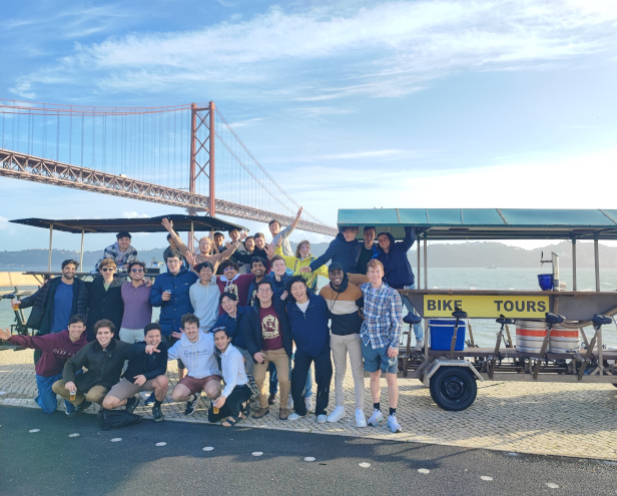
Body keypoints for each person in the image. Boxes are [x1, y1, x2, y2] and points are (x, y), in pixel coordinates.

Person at [52, 319, 158, 417]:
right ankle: (81, 402)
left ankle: (130, 401)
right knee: (57, 386)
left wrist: (146, 348)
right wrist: (69, 380)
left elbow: (134, 349)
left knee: (93, 395)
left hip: (107, 382)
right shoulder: (90, 347)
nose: (103, 336)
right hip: (89, 379)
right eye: (100, 333)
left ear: (112, 334)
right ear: (96, 335)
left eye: (106, 333)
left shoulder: (119, 346)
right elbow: (71, 363)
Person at [0, 314, 88, 415]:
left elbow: (91, 362)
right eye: (73, 326)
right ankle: (41, 396)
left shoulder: (84, 346)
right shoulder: (54, 339)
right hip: (47, 374)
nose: (76, 329)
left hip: (66, 374)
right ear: (68, 327)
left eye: (79, 326)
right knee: (50, 409)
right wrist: (11, 338)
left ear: (84, 328)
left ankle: (69, 402)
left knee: (78, 372)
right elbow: (31, 341)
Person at [13, 258, 88, 365]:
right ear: (62, 270)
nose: (70, 270)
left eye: (73, 269)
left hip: (70, 330)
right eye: (67, 268)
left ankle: (65, 379)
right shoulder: (51, 284)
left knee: (66, 358)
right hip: (51, 327)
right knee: (43, 353)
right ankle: (42, 375)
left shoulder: (81, 286)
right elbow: (36, 297)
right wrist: (20, 303)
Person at [319, 263, 366, 427]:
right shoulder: (324, 291)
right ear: (329, 276)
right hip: (336, 337)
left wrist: (351, 278)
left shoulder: (355, 290)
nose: (336, 276)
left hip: (354, 336)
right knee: (339, 373)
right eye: (332, 273)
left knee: (357, 373)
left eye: (339, 273)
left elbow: (366, 280)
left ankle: (359, 410)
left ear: (343, 274)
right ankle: (340, 408)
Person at [359, 259, 403, 433]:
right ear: (368, 274)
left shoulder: (392, 294)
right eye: (371, 272)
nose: (375, 275)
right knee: (374, 377)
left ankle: (392, 416)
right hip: (369, 340)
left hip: (386, 343)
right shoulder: (364, 289)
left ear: (382, 273)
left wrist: (394, 344)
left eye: (377, 272)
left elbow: (397, 322)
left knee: (391, 379)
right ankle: (376, 411)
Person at [242, 280, 292, 420]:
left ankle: (283, 407)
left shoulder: (280, 308)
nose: (264, 292)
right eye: (261, 290)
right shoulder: (252, 313)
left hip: (280, 350)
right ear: (257, 294)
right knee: (257, 379)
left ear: (271, 293)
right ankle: (263, 406)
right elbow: (248, 336)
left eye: (267, 290)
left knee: (284, 379)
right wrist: (254, 352)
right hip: (262, 352)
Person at [286, 277, 332, 423]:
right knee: (297, 379)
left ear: (305, 287)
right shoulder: (290, 307)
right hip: (302, 348)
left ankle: (321, 411)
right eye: (294, 288)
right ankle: (300, 410)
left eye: (300, 287)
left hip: (322, 346)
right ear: (290, 292)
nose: (298, 291)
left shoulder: (318, 301)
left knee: (323, 378)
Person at [101, 323, 169, 423]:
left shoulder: (163, 347)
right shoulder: (138, 346)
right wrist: (145, 349)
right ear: (145, 337)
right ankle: (131, 401)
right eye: (150, 336)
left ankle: (157, 408)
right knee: (107, 404)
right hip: (131, 381)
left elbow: (162, 369)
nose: (154, 339)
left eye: (157, 336)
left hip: (149, 380)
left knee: (163, 380)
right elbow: (133, 350)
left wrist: (146, 376)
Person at [150, 250, 198, 380]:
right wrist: (161, 298)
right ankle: (158, 385)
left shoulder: (191, 277)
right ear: (166, 263)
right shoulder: (161, 279)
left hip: (183, 326)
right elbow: (152, 301)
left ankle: (183, 384)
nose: (172, 264)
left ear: (181, 262)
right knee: (160, 356)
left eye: (175, 261)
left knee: (184, 359)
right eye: (169, 261)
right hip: (165, 327)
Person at [376, 227, 423, 350]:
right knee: (393, 317)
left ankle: (420, 340)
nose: (382, 242)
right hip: (394, 290)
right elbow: (381, 275)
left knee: (414, 314)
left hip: (409, 287)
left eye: (385, 239)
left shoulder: (399, 247)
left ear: (390, 239)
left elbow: (411, 239)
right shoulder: (379, 257)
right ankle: (393, 341)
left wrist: (408, 228)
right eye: (380, 240)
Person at [168, 314, 221, 416]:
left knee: (213, 392)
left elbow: (225, 347)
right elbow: (165, 356)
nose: (191, 331)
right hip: (192, 376)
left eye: (193, 327)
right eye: (188, 328)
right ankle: (193, 398)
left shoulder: (210, 339)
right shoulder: (180, 345)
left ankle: (214, 402)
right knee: (176, 396)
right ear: (183, 330)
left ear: (198, 328)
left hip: (210, 375)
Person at [161, 218, 241, 273]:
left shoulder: (216, 258)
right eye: (202, 244)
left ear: (211, 247)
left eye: (207, 244)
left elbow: (229, 252)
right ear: (199, 245)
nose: (204, 246)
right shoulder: (192, 256)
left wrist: (239, 240)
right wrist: (171, 230)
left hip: (210, 287)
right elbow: (180, 244)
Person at [208, 327, 252, 426]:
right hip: (231, 388)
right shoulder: (221, 352)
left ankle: (238, 414)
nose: (219, 341)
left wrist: (223, 397)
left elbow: (232, 380)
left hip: (242, 388)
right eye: (217, 339)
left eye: (222, 338)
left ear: (228, 339)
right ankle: (238, 407)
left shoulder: (233, 354)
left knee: (230, 400)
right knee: (212, 417)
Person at [301, 226, 368, 285]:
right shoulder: (336, 243)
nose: (345, 234)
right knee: (367, 279)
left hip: (353, 274)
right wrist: (311, 267)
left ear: (356, 231)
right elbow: (324, 257)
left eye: (348, 231)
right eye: (344, 232)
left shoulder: (356, 244)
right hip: (342, 275)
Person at [211, 293, 252, 374]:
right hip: (236, 349)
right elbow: (211, 332)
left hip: (251, 349)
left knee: (251, 377)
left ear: (236, 301)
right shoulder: (222, 319)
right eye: (223, 303)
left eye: (229, 301)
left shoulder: (248, 311)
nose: (227, 305)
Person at [85, 259, 124, 342]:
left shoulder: (122, 285)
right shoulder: (94, 284)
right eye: (105, 269)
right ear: (100, 270)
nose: (107, 272)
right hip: (94, 321)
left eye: (110, 269)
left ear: (114, 270)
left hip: (114, 321)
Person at [119, 261, 153, 343]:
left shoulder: (150, 287)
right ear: (129, 273)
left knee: (142, 355)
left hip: (144, 329)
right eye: (134, 270)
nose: (137, 272)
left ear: (144, 273)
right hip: (125, 329)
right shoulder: (123, 287)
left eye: (140, 270)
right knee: (125, 355)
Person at [189, 262, 221, 333]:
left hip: (213, 326)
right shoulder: (193, 288)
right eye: (203, 270)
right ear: (199, 273)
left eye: (208, 270)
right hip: (198, 326)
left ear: (212, 272)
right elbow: (193, 305)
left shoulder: (217, 286)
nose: (205, 273)